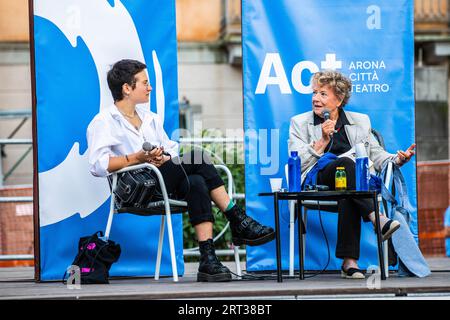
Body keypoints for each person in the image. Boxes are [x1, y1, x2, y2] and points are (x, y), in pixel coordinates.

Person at [87, 59, 275, 282]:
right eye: (145, 83)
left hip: (160, 181)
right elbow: (98, 165)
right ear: (127, 88)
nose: (150, 87)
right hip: (133, 190)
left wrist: (162, 157)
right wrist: (136, 157)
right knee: (199, 157)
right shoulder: (104, 121)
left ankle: (208, 260)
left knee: (196, 181)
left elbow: (171, 152)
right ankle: (237, 218)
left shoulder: (150, 118)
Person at [289, 70, 416, 279]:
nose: (315, 98)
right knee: (348, 165)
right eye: (314, 93)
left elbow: (376, 155)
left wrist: (397, 160)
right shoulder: (300, 123)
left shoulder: (360, 121)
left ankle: (349, 263)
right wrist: (321, 141)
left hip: (351, 184)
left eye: (322, 94)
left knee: (350, 187)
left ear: (338, 100)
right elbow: (297, 163)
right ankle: (377, 218)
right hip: (318, 179)